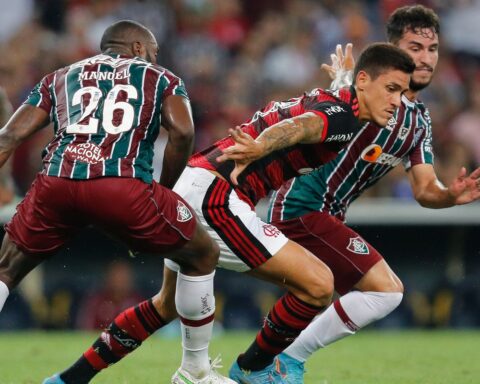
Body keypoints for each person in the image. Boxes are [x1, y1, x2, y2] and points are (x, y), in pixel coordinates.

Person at [48, 42, 416, 384]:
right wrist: (261, 145)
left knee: (166, 305)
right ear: (364, 81)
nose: (397, 101)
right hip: (218, 197)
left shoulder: (340, 103)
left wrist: (344, 80)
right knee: (319, 284)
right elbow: (301, 127)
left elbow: (325, 114)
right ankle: (252, 371)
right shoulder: (343, 118)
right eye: (392, 89)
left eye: (402, 92)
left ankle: (67, 379)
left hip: (196, 182)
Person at [0, 20, 235, 384]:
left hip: (57, 183)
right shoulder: (162, 78)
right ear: (139, 49)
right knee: (203, 253)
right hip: (122, 187)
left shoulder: (59, 77)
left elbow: (9, 135)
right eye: (153, 52)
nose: (156, 58)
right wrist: (166, 191)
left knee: (5, 269)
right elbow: (184, 130)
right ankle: (196, 371)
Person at [266, 6, 480, 383]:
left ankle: (250, 365)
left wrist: (450, 196)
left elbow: (425, 189)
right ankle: (285, 360)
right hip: (301, 206)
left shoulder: (418, 119)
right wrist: (341, 84)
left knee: (317, 295)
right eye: (415, 47)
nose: (426, 58)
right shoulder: (364, 91)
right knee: (386, 291)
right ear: (391, 49)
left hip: (326, 216)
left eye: (433, 49)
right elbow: (327, 107)